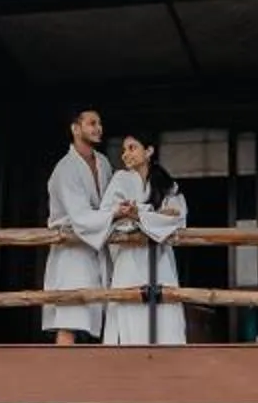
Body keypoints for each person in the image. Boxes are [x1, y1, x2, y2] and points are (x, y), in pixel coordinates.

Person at [99, 134, 189, 346]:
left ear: (148, 151)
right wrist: (151, 215)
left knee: (163, 312)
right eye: (124, 150)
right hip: (129, 259)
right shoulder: (120, 179)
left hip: (160, 258)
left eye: (132, 148)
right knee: (128, 310)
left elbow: (177, 217)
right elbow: (109, 215)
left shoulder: (166, 183)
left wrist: (138, 214)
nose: (126, 154)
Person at [43, 108, 114, 344]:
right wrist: (113, 213)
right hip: (71, 249)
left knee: (99, 314)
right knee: (69, 318)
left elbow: (110, 200)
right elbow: (80, 215)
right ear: (75, 128)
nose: (98, 128)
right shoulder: (65, 169)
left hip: (96, 246)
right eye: (92, 123)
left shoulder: (103, 163)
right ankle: (61, 375)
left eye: (100, 123)